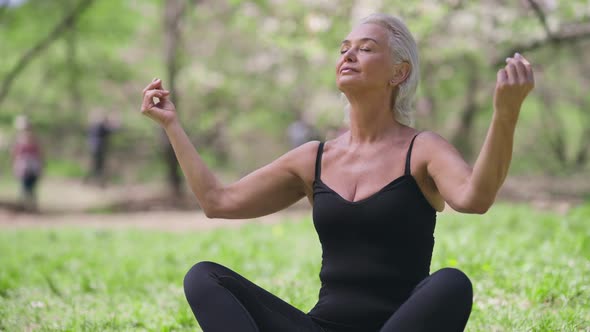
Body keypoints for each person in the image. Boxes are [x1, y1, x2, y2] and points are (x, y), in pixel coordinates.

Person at [140, 13, 534, 332]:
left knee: (452, 283)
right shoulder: (314, 158)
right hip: (320, 326)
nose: (348, 55)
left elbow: (475, 198)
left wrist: (505, 115)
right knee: (204, 278)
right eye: (344, 49)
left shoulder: (423, 149)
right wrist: (173, 126)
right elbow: (218, 202)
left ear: (398, 73)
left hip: (399, 324)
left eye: (366, 49)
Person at [11, 116, 43, 211]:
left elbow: (39, 153)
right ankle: (24, 205)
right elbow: (15, 153)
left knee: (31, 186)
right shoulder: (18, 139)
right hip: (23, 165)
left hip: (32, 165)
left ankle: (31, 205)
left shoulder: (33, 138)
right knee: (24, 185)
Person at [85, 112, 118, 186]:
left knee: (95, 165)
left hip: (93, 148)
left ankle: (90, 182)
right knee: (98, 166)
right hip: (99, 148)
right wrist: (116, 120)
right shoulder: (100, 126)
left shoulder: (93, 125)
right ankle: (97, 183)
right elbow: (113, 130)